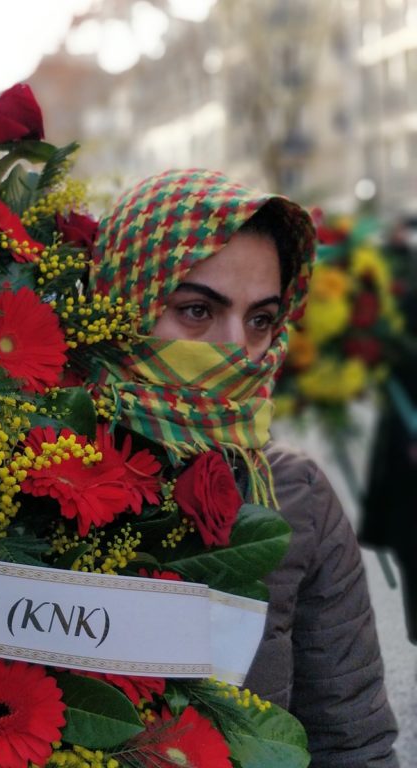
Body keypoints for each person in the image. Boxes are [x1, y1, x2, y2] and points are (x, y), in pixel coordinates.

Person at [90, 169, 399, 767]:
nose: (237, 349)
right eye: (197, 311)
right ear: (121, 303)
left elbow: (349, 740)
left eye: (261, 320)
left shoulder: (293, 492)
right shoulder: (16, 474)